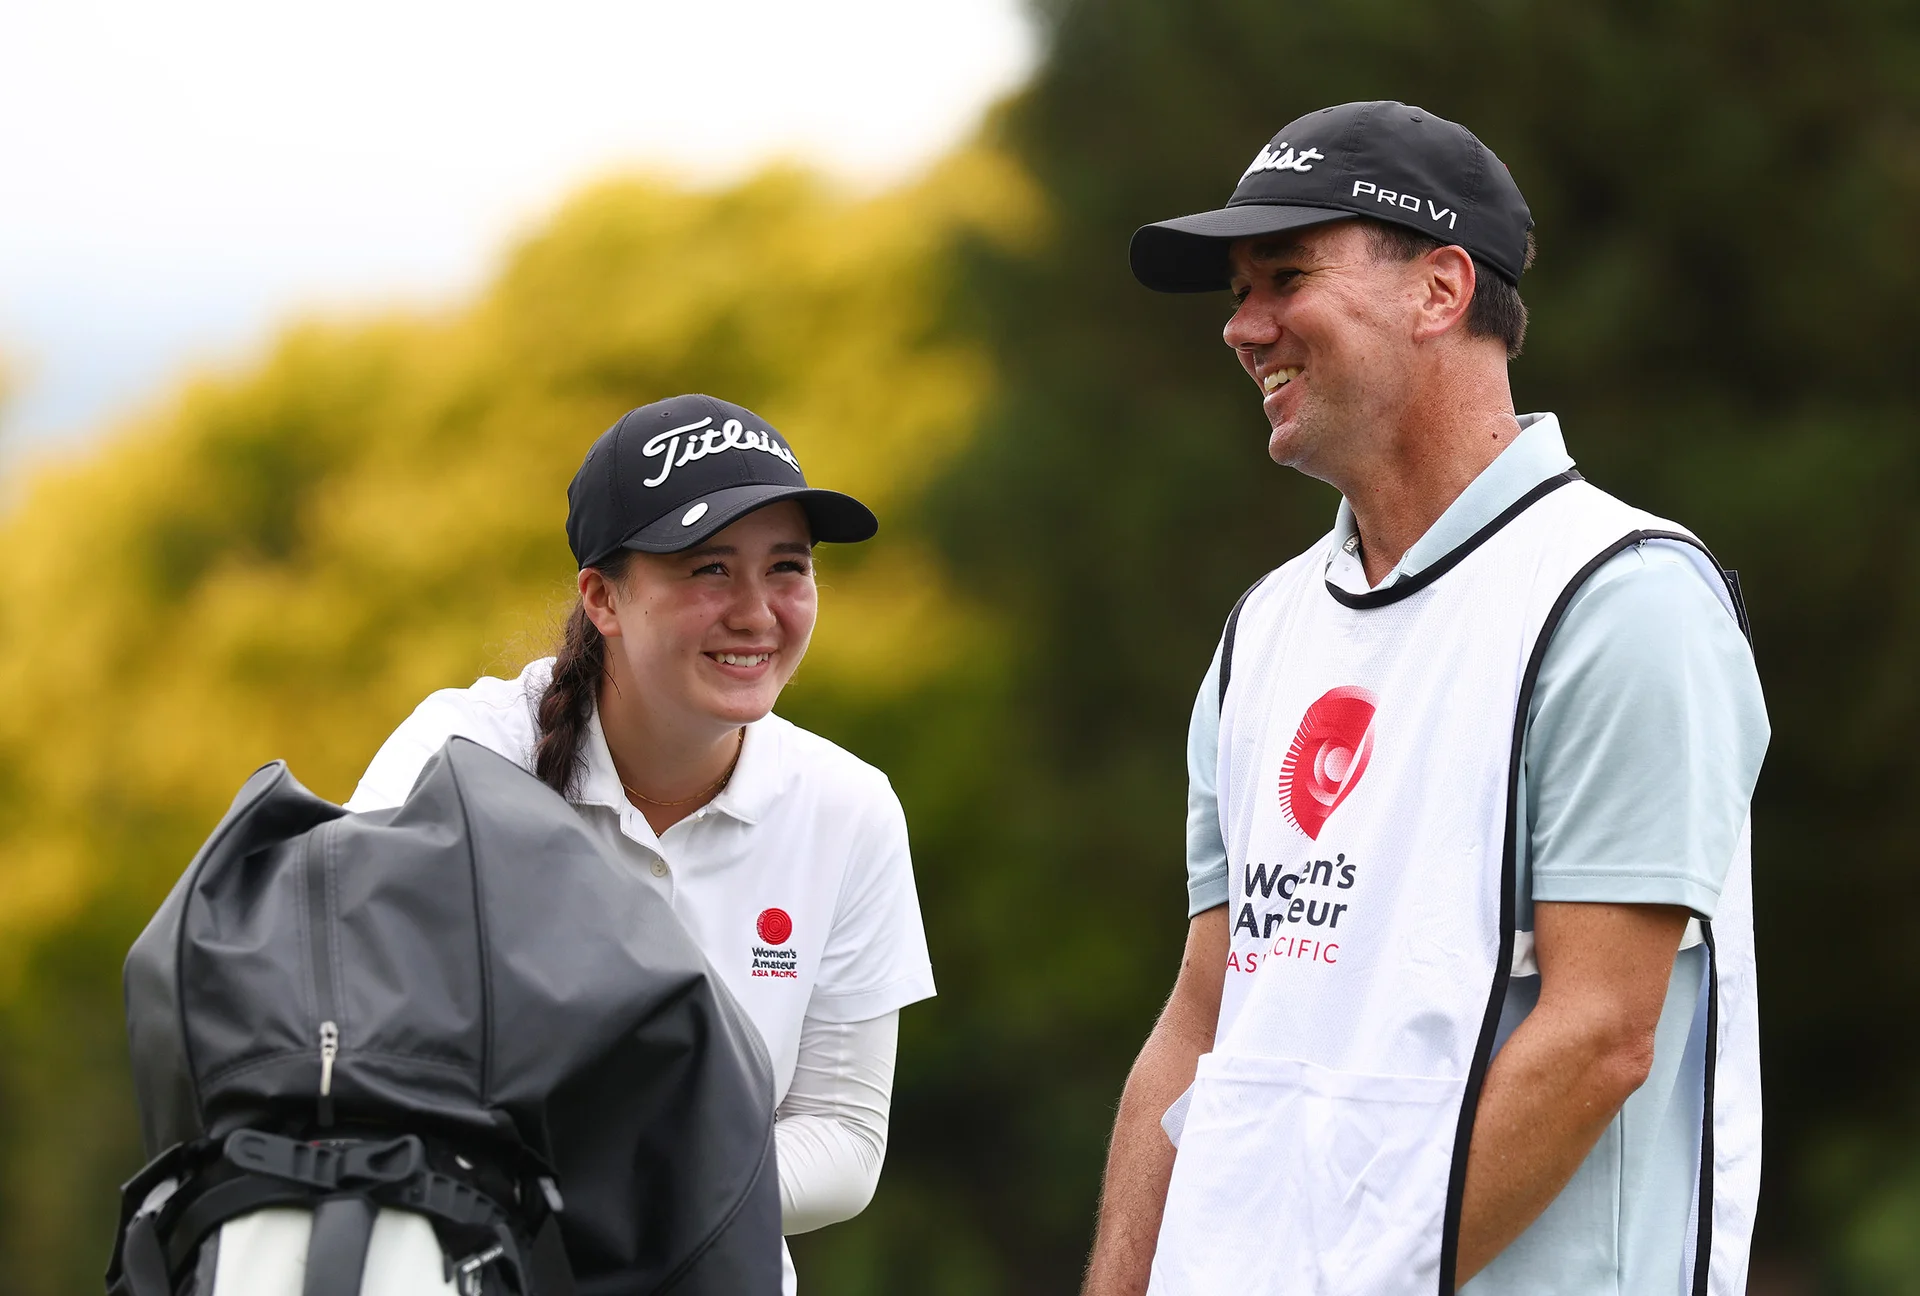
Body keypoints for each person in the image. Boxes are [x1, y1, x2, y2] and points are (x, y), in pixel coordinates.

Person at [1083, 102, 1766, 1295]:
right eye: (1236, 293)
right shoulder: (1265, 632)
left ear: (1441, 289)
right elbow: (1203, 1022)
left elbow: (1600, 1035)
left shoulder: (1622, 598)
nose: (1244, 328)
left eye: (1284, 275)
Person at [344, 393, 936, 1296]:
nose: (756, 612)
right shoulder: (459, 760)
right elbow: (343, 1037)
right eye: (707, 569)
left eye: (787, 567)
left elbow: (844, 1140)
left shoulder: (848, 808)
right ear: (602, 596)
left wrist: (626, 1197)